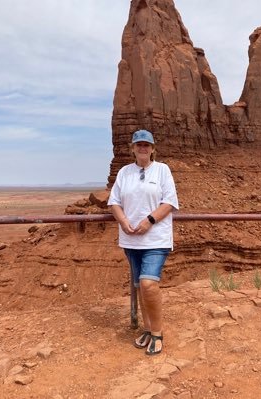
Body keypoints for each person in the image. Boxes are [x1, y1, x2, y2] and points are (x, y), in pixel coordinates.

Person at [108, 129, 179, 355]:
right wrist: (122, 221)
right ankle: (147, 329)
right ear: (133, 148)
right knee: (139, 286)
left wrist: (149, 221)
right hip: (131, 239)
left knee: (148, 283)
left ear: (153, 148)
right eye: (139, 144)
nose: (143, 148)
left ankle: (157, 332)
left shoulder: (162, 170)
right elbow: (114, 202)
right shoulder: (124, 172)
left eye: (146, 144)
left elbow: (169, 202)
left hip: (156, 238)